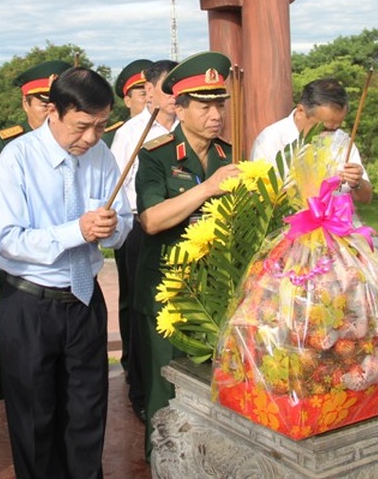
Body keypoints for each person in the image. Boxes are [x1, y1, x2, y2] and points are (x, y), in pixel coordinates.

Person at [0, 67, 133, 478]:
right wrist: (77, 230)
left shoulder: (102, 155)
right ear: (53, 111)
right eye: (82, 126)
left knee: (88, 411)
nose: (90, 138)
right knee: (36, 417)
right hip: (31, 303)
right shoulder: (17, 158)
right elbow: (8, 244)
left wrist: (112, 228)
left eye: (101, 126)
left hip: (85, 302)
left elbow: (122, 223)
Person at [134, 52, 241, 456]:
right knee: (165, 388)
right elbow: (152, 219)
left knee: (213, 383)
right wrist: (208, 188)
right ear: (179, 107)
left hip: (214, 294)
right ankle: (162, 462)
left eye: (220, 103)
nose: (216, 114)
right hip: (168, 292)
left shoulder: (228, 155)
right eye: (205, 104)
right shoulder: (157, 155)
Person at [0, 59, 71, 401]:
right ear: (25, 103)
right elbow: (0, 206)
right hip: (23, 272)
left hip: (68, 278)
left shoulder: (82, 144)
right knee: (16, 361)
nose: (49, 108)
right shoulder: (8, 145)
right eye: (41, 102)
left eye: (55, 102)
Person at [109, 59, 178, 421]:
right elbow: (116, 185)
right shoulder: (130, 132)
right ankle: (139, 387)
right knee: (139, 310)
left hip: (180, 228)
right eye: (167, 88)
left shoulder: (185, 129)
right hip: (139, 227)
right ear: (149, 90)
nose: (173, 96)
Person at [250, 78, 373, 204]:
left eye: (335, 129)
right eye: (323, 128)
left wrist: (357, 183)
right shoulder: (270, 140)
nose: (328, 135)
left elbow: (366, 198)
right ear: (300, 112)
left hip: (339, 221)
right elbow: (261, 199)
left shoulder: (343, 141)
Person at [101, 58, 151, 147]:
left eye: (152, 93)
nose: (149, 99)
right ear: (128, 101)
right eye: (143, 94)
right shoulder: (111, 138)